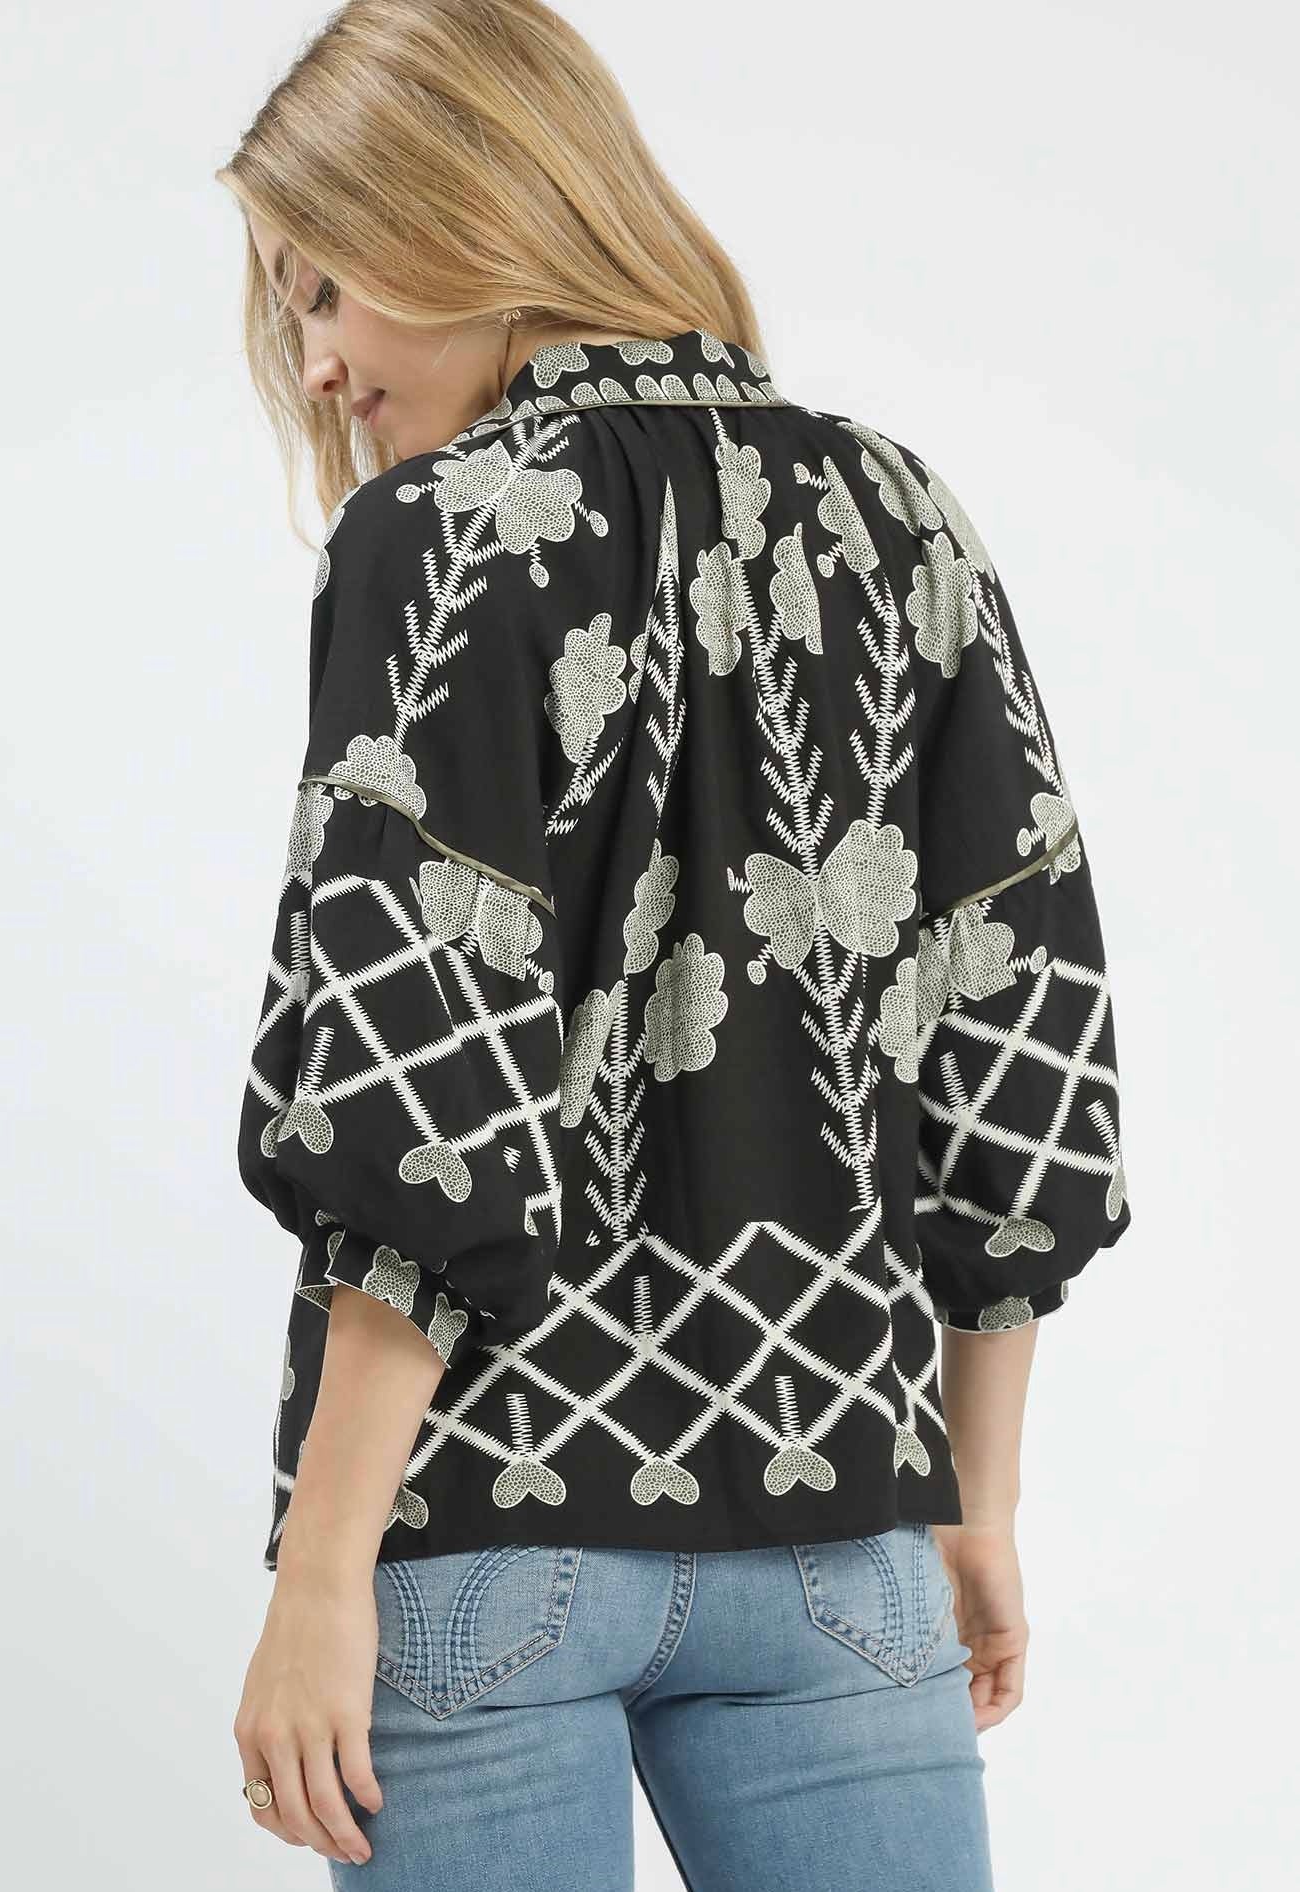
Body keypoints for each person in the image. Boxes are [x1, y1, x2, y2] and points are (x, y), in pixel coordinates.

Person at [217, 4, 1132, 1887]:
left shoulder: (440, 534)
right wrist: (977, 1500)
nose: (316, 362)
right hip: (847, 1530)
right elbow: (1022, 1040)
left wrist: (316, 1574)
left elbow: (412, 1084)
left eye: (323, 286)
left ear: (453, 214)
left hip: (483, 1527)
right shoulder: (898, 511)